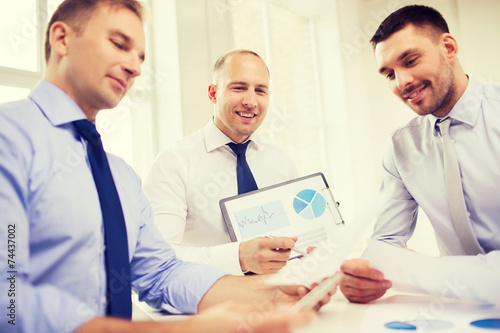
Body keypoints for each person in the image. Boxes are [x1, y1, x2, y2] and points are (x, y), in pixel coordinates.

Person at [0, 1, 332, 332]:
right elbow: (8, 298)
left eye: (141, 57)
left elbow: (162, 274)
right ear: (62, 39)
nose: (135, 67)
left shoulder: (122, 178)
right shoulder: (9, 138)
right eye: (119, 44)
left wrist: (276, 292)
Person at [339, 4, 500, 303]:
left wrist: (421, 272)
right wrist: (363, 277)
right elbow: (383, 247)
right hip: (460, 314)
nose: (402, 83)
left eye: (410, 61)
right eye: (388, 74)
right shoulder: (402, 147)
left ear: (448, 47)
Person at [143, 50, 299, 275]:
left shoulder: (282, 162)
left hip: (281, 298)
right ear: (213, 93)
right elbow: (156, 257)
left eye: (260, 90)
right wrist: (239, 257)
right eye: (238, 88)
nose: (250, 102)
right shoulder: (174, 163)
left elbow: (298, 238)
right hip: (211, 302)